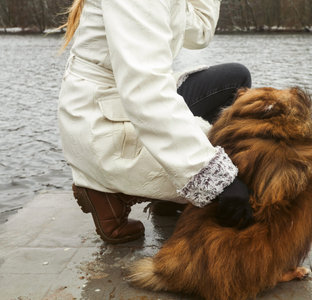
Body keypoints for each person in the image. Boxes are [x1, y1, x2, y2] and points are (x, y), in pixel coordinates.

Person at [58, 0, 253, 244]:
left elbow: (199, 33)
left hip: (122, 100)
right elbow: (145, 92)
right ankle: (110, 191)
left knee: (235, 78)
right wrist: (219, 180)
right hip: (105, 122)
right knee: (249, 168)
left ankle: (168, 197)